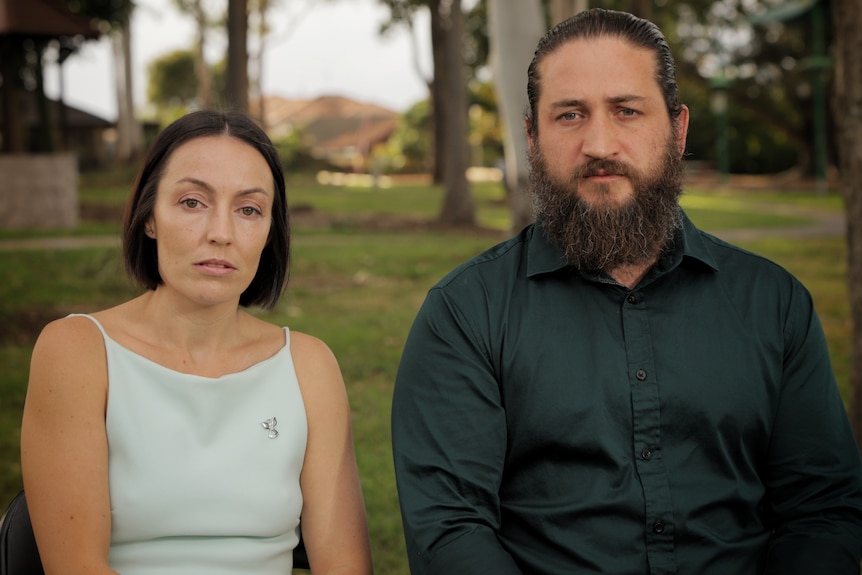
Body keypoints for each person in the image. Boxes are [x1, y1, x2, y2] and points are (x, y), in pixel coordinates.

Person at [391, 8, 862, 575]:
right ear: (533, 137)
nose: (599, 143)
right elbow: (450, 530)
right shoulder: (467, 314)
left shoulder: (774, 304)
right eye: (570, 115)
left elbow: (822, 512)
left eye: (626, 110)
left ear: (678, 129)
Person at [20, 110, 373, 575]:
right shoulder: (78, 352)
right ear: (149, 217)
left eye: (249, 210)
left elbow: (345, 567)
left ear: (270, 231)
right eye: (192, 202)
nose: (221, 234)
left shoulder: (308, 365)